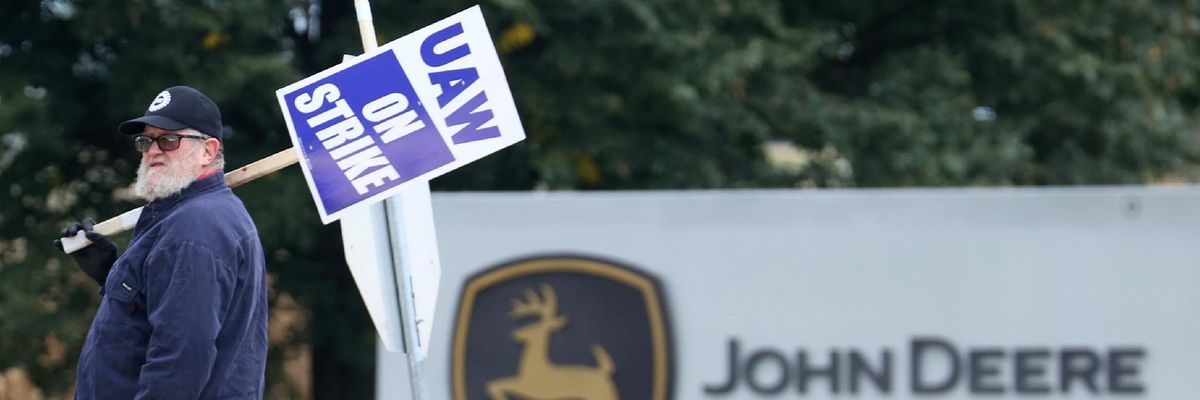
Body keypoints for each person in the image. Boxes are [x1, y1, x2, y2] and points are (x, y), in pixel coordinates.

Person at [54, 86, 268, 399]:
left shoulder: (195, 227)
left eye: (168, 140)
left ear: (208, 151)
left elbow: (181, 359)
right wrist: (111, 272)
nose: (153, 150)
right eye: (145, 140)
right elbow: (163, 313)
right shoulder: (188, 214)